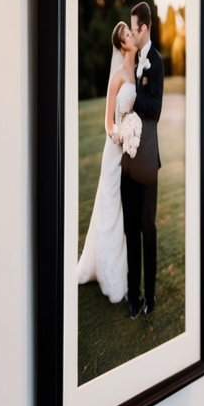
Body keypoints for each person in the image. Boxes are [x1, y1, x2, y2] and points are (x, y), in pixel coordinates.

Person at [76, 22, 137, 303]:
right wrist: (116, 134)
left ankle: (117, 266)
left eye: (131, 32)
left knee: (123, 210)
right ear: (122, 45)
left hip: (132, 151)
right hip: (114, 151)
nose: (132, 36)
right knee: (110, 208)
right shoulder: (118, 77)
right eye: (127, 35)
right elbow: (108, 119)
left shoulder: (137, 72)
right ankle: (110, 277)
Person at [120, 2, 164, 318]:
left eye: (134, 28)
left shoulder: (156, 62)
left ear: (144, 29)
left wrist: (136, 93)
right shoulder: (130, 62)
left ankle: (150, 295)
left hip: (148, 159)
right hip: (128, 161)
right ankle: (132, 295)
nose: (132, 33)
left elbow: (155, 108)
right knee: (130, 228)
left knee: (147, 226)